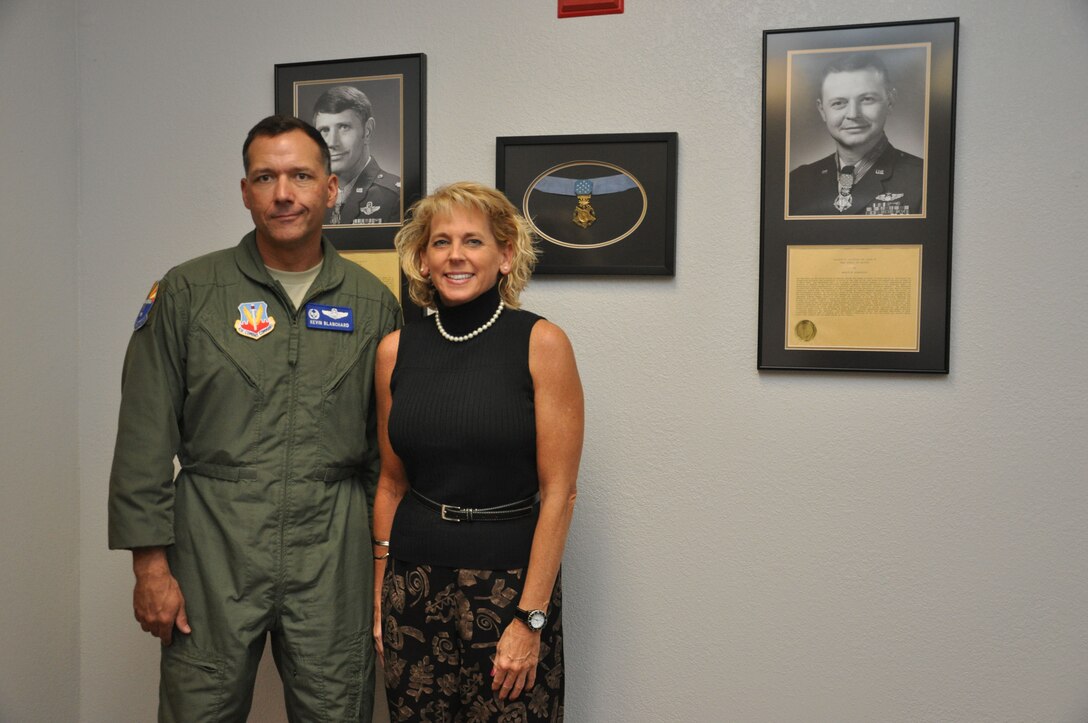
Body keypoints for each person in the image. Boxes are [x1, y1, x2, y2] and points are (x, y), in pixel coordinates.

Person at [107, 115, 402, 722]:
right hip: (213, 543)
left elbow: (387, 456)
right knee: (199, 710)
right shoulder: (190, 292)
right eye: (265, 177)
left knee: (337, 708)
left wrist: (383, 567)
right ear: (245, 192)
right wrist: (149, 564)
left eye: (300, 175)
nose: (283, 193)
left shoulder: (374, 305)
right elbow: (143, 434)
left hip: (333, 548)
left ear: (331, 189)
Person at [372, 182, 584, 721]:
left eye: (473, 241)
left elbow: (560, 493)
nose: (456, 255)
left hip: (508, 592)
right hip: (412, 588)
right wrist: (380, 598)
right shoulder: (395, 350)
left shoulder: (541, 343)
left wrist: (531, 620)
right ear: (422, 259)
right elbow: (392, 483)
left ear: (505, 255)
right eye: (440, 242)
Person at [788, 53, 924, 216]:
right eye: (838, 103)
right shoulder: (796, 183)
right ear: (822, 110)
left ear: (890, 101)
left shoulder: (922, 179)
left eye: (867, 99)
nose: (853, 114)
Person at [313, 85, 402, 225]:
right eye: (324, 130)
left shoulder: (395, 197)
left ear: (367, 130)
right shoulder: (312, 199)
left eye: (343, 127)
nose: (332, 142)